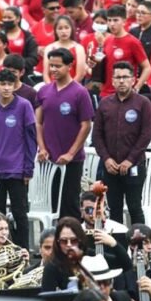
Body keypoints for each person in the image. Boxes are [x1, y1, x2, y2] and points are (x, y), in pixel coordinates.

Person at [0, 69, 36, 248]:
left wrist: (28, 169)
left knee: (20, 214)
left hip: (17, 170)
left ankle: (23, 251)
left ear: (15, 86)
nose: (6, 88)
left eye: (10, 84)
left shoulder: (24, 106)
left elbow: (31, 140)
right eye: (3, 84)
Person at [36, 48, 94, 220]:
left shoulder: (80, 92)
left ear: (69, 66)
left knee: (70, 205)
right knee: (51, 205)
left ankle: (74, 236)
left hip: (71, 161)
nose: (53, 69)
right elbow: (38, 122)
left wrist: (70, 153)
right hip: (49, 160)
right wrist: (42, 148)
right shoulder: (44, 91)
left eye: (58, 66)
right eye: (51, 65)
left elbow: (86, 125)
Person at [42, 217, 132, 292]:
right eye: (64, 241)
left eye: (74, 240)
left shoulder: (90, 256)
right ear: (57, 242)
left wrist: (113, 243)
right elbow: (48, 299)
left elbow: (126, 265)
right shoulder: (52, 267)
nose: (69, 245)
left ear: (80, 240)